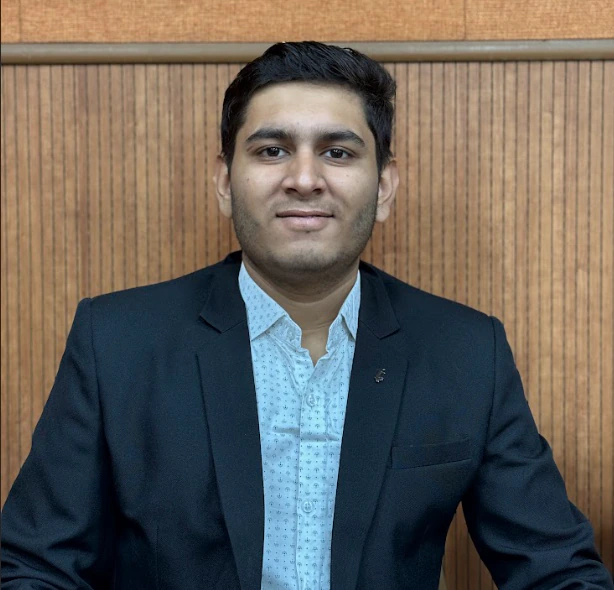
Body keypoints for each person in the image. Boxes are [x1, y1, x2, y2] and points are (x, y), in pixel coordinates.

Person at [1, 41, 612, 590]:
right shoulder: (116, 343)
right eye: (272, 150)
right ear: (225, 182)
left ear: (384, 187)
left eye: (337, 152)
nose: (303, 179)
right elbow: (36, 569)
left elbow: (557, 571)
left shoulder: (466, 352)